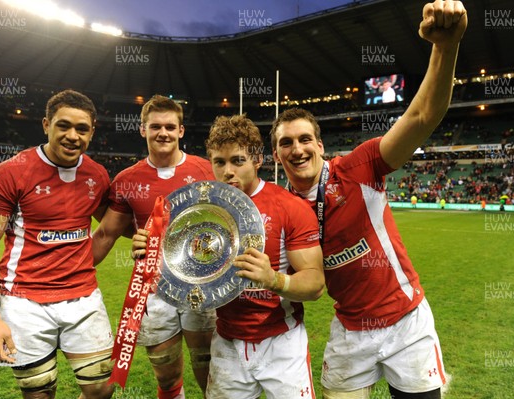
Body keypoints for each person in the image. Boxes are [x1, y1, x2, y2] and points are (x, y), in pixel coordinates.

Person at [270, 1, 467, 398]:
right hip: (349, 330)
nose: (297, 149)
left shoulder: (359, 167)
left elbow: (422, 116)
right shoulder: (281, 209)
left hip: (404, 321)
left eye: (305, 139)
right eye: (285, 143)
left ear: (320, 145)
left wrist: (446, 47)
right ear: (276, 155)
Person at [135, 114, 325, 398]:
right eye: (219, 162)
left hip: (281, 341)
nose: (227, 172)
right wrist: (149, 252)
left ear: (257, 160)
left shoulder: (290, 207)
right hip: (226, 341)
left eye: (238, 161)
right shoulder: (200, 208)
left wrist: (273, 279)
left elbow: (315, 284)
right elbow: (178, 272)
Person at [0, 89, 115, 399]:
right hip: (24, 303)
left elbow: (114, 222)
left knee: (101, 389)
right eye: (63, 125)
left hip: (83, 299)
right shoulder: (11, 174)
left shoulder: (97, 176)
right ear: (46, 124)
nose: (72, 136)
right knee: (39, 394)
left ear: (92, 132)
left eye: (82, 129)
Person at [92, 95, 216, 399]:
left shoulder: (206, 171)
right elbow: (107, 234)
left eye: (170, 127)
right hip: (152, 289)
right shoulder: (127, 180)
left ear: (181, 131)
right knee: (166, 375)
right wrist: (65, 273)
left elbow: (227, 227)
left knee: (209, 371)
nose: (164, 133)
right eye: (156, 126)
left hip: (200, 287)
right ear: (143, 129)